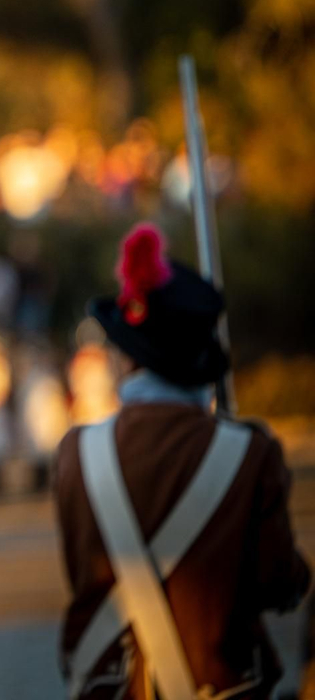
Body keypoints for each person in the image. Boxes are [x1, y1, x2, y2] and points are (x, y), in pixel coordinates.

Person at [55, 223, 310, 699]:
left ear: (129, 359)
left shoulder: (74, 454)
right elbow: (277, 584)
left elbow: (81, 574)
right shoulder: (252, 454)